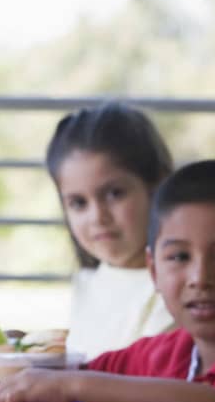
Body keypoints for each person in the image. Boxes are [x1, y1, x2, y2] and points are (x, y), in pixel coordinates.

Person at [0, 159, 215, 402]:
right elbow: (80, 373)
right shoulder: (166, 351)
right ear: (154, 271)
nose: (200, 279)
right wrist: (24, 356)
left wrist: (71, 386)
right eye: (180, 256)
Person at [46, 101, 175, 358]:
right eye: (78, 203)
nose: (97, 217)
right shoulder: (90, 280)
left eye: (115, 194)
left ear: (157, 185)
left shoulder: (177, 289)